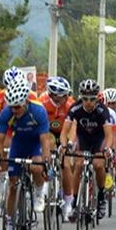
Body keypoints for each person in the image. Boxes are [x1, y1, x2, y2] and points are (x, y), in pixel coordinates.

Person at [0, 77, 50, 230]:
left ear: (26, 101)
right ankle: (10, 228)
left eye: (17, 106)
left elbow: (45, 141)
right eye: (12, 106)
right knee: (12, 186)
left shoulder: (38, 111)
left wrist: (45, 161)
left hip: (34, 144)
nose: (14, 110)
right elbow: (0, 139)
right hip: (18, 144)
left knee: (36, 166)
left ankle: (39, 191)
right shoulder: (7, 113)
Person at [60, 79, 113, 220]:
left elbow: (109, 135)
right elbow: (64, 132)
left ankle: (101, 197)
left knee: (98, 164)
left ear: (97, 98)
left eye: (92, 99)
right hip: (83, 138)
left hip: (98, 140)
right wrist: (64, 146)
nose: (88, 102)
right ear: (80, 97)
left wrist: (107, 149)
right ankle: (75, 203)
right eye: (85, 98)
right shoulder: (75, 108)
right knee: (78, 165)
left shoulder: (102, 110)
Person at [0, 66, 38, 208]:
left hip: (27, 128)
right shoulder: (0, 96)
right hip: (8, 127)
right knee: (3, 147)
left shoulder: (31, 95)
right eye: (9, 87)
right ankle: (1, 184)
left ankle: (29, 184)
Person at [39, 76, 75, 219]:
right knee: (48, 145)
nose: (67, 97)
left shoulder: (70, 105)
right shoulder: (42, 103)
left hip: (65, 132)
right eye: (63, 96)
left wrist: (69, 144)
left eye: (67, 94)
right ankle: (44, 185)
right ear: (53, 95)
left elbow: (73, 127)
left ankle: (68, 202)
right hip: (48, 132)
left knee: (66, 165)